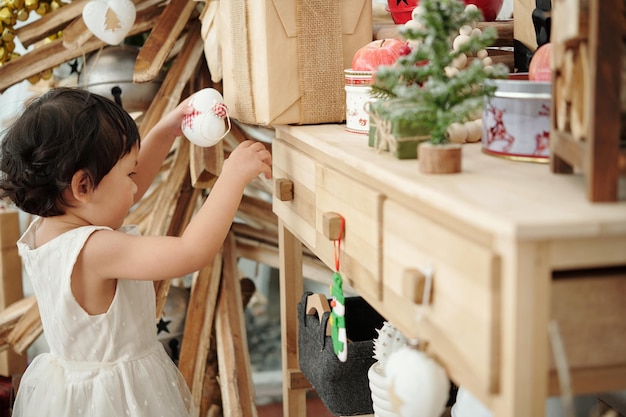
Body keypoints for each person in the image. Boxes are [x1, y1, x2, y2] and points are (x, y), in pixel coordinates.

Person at [0, 87, 272, 417]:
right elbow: (190, 251)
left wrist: (167, 129)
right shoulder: (95, 249)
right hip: (119, 401)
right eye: (129, 172)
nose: (135, 184)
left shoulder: (49, 230)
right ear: (82, 186)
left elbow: (122, 193)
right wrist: (233, 175)